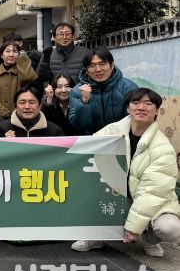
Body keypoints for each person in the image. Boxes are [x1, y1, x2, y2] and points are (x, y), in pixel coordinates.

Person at [72, 88, 180, 257]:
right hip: (116, 196)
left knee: (170, 228)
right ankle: (95, 236)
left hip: (150, 201)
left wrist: (133, 227)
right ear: (128, 108)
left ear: (157, 110)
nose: (141, 107)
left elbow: (151, 193)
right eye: (135, 103)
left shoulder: (163, 148)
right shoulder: (111, 131)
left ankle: (150, 238)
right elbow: (86, 153)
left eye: (148, 104)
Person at [68, 47, 138, 135]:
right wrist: (84, 102)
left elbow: (135, 120)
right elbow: (79, 127)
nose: (98, 69)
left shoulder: (128, 87)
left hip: (122, 139)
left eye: (102, 64)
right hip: (92, 141)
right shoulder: (77, 91)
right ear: (86, 70)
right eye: (92, 66)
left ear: (112, 65)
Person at [0, 41, 37, 118]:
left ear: (18, 54)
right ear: (1, 55)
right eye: (7, 51)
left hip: (21, 116)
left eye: (15, 51)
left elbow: (29, 78)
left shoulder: (24, 72)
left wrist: (23, 59)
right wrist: (3, 113)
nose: (11, 54)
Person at [0, 86, 64, 137]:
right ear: (15, 106)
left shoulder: (54, 131)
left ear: (40, 105)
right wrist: (5, 144)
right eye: (22, 102)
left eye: (32, 102)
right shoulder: (2, 129)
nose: (27, 107)